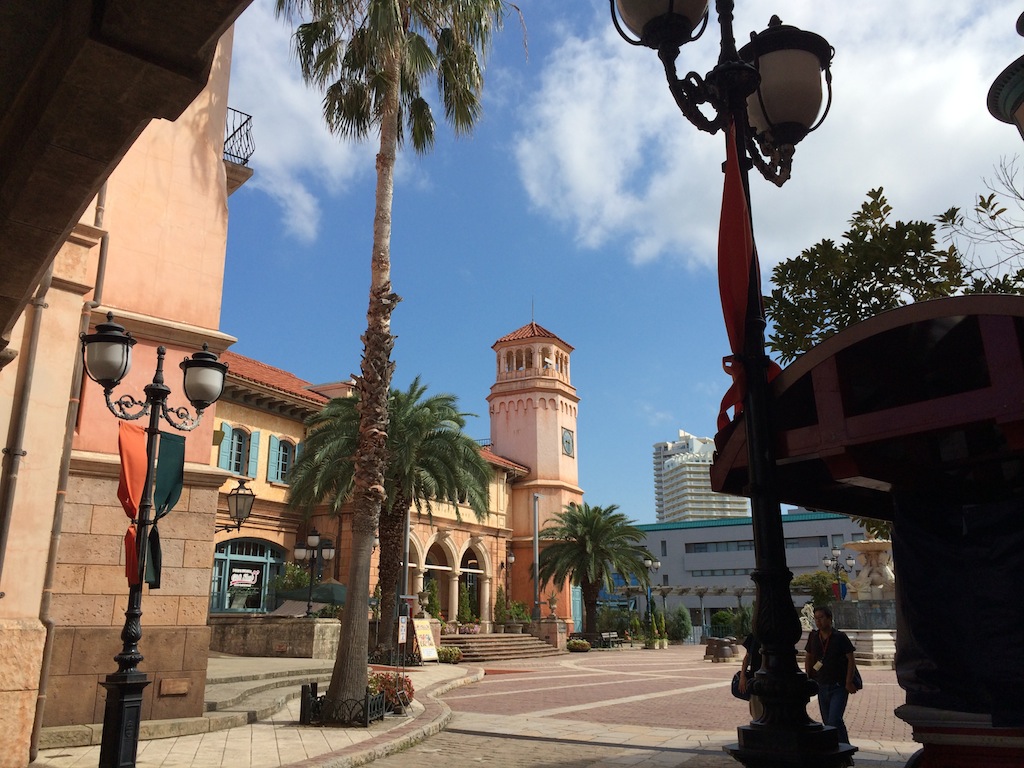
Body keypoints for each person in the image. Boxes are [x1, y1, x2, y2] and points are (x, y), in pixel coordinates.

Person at [804, 605, 859, 746]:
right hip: (821, 684)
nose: (818, 621)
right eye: (816, 618)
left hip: (838, 685)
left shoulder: (840, 637)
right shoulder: (813, 636)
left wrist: (848, 681)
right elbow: (809, 656)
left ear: (829, 618)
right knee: (827, 722)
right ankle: (835, 748)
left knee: (835, 719)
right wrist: (808, 676)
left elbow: (851, 659)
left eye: (821, 618)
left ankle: (845, 748)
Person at [739, 633, 763, 719]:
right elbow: (747, 656)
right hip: (756, 682)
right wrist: (742, 676)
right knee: (757, 715)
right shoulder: (754, 636)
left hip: (772, 682)